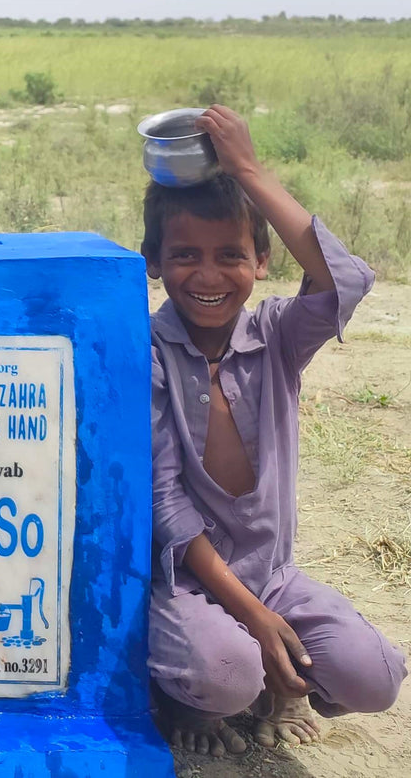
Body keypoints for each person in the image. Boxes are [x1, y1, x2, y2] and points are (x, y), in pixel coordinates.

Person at [144, 105, 406, 757]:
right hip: (190, 583)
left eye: (230, 254)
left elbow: (347, 279)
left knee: (373, 678)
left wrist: (248, 170)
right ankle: (197, 692)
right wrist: (256, 618)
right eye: (184, 255)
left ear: (262, 260)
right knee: (224, 675)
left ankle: (277, 677)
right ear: (152, 261)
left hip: (273, 576)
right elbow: (168, 510)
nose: (208, 275)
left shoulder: (277, 336)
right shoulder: (146, 353)